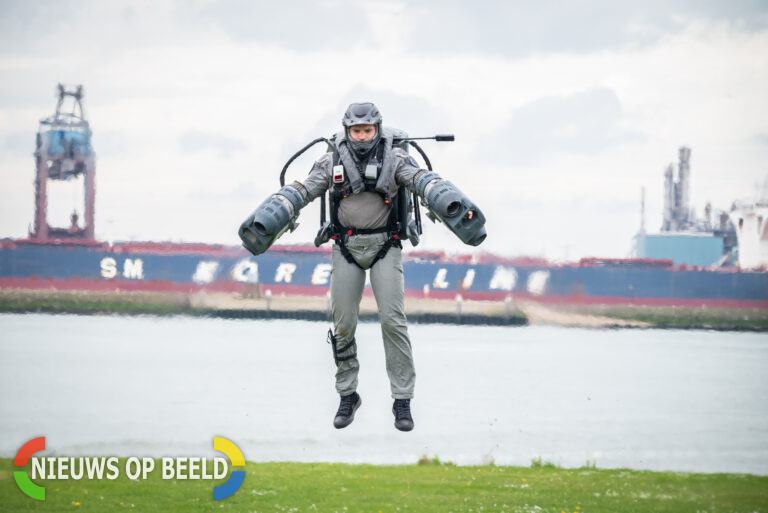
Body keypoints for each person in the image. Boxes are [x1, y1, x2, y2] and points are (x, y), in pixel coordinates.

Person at [238, 101, 486, 432]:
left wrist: (449, 201)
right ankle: (348, 395)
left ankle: (402, 401)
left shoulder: (396, 158)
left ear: (377, 129)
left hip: (385, 247)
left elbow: (421, 180)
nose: (362, 136)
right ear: (347, 131)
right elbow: (306, 188)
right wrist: (279, 208)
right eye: (356, 130)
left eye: (367, 130)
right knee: (343, 326)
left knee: (394, 323)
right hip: (346, 247)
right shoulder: (331, 161)